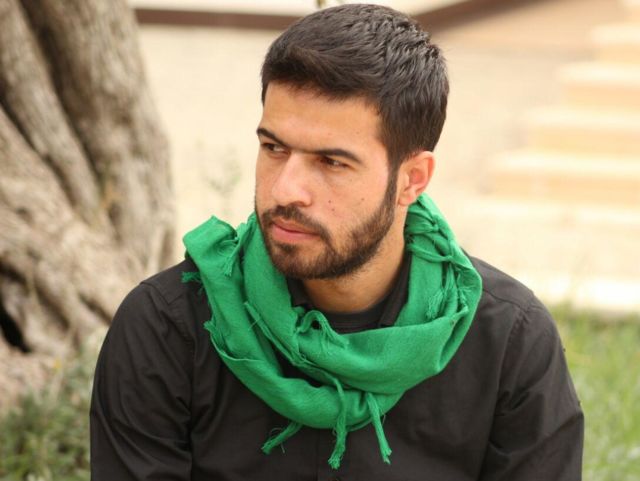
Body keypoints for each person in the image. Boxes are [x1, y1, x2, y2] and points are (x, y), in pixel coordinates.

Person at [90, 4, 584, 480]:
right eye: (273, 148)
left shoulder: (508, 342)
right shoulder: (169, 328)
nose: (286, 190)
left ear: (411, 179)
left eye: (331, 162)